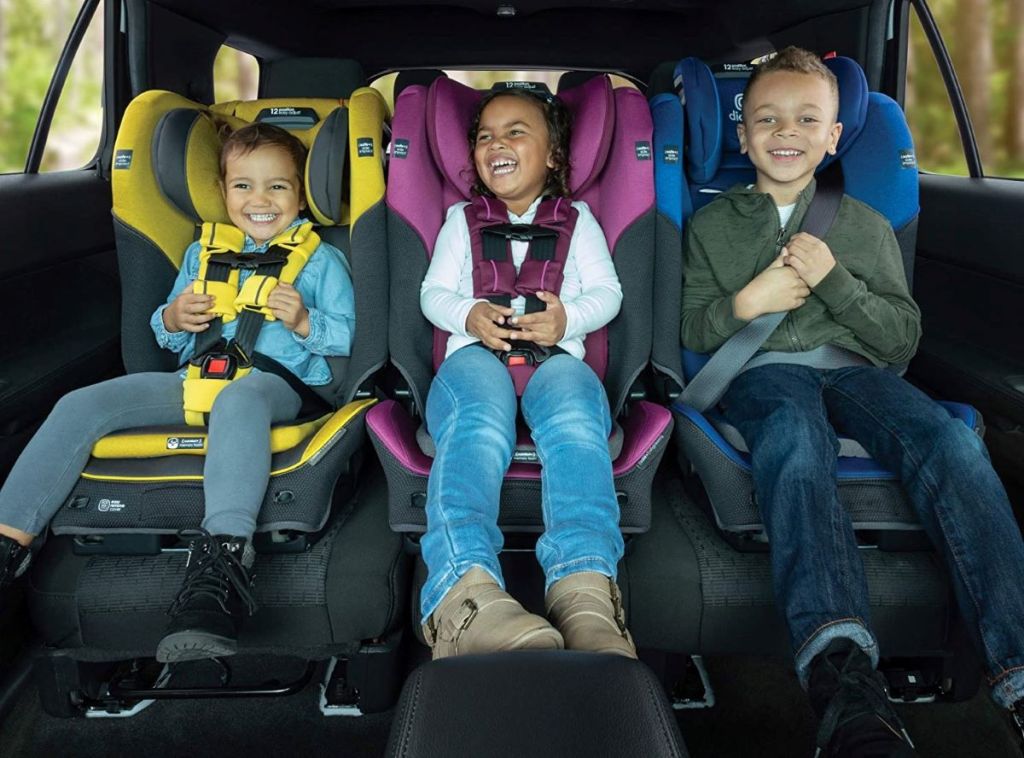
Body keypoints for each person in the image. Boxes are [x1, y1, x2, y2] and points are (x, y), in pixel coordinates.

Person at [681, 46, 1024, 757]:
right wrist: (747, 302)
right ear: (742, 135)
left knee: (951, 441)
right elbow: (690, 327)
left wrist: (834, 281)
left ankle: (1019, 671)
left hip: (857, 372)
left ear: (834, 136)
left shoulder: (862, 224)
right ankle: (843, 680)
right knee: (793, 437)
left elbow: (901, 337)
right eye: (767, 118)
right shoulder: (712, 226)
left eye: (808, 119)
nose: (787, 131)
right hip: (763, 372)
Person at [0, 122, 355, 663]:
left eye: (277, 186)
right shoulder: (201, 254)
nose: (260, 200)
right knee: (81, 403)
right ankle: (9, 540)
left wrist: (305, 321)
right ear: (222, 191)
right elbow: (166, 334)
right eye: (243, 186)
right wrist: (173, 317)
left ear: (301, 195)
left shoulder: (322, 259)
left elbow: (350, 336)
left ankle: (223, 563)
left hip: (278, 385)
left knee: (239, 400)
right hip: (196, 379)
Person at [418, 85, 636, 659]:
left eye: (516, 132)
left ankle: (584, 591)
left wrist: (567, 319)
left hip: (554, 358)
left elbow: (607, 292)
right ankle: (462, 592)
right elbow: (433, 293)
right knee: (476, 426)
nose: (497, 144)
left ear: (554, 156)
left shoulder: (578, 220)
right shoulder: (461, 220)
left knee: (577, 426)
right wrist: (468, 314)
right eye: (485, 136)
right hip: (475, 357)